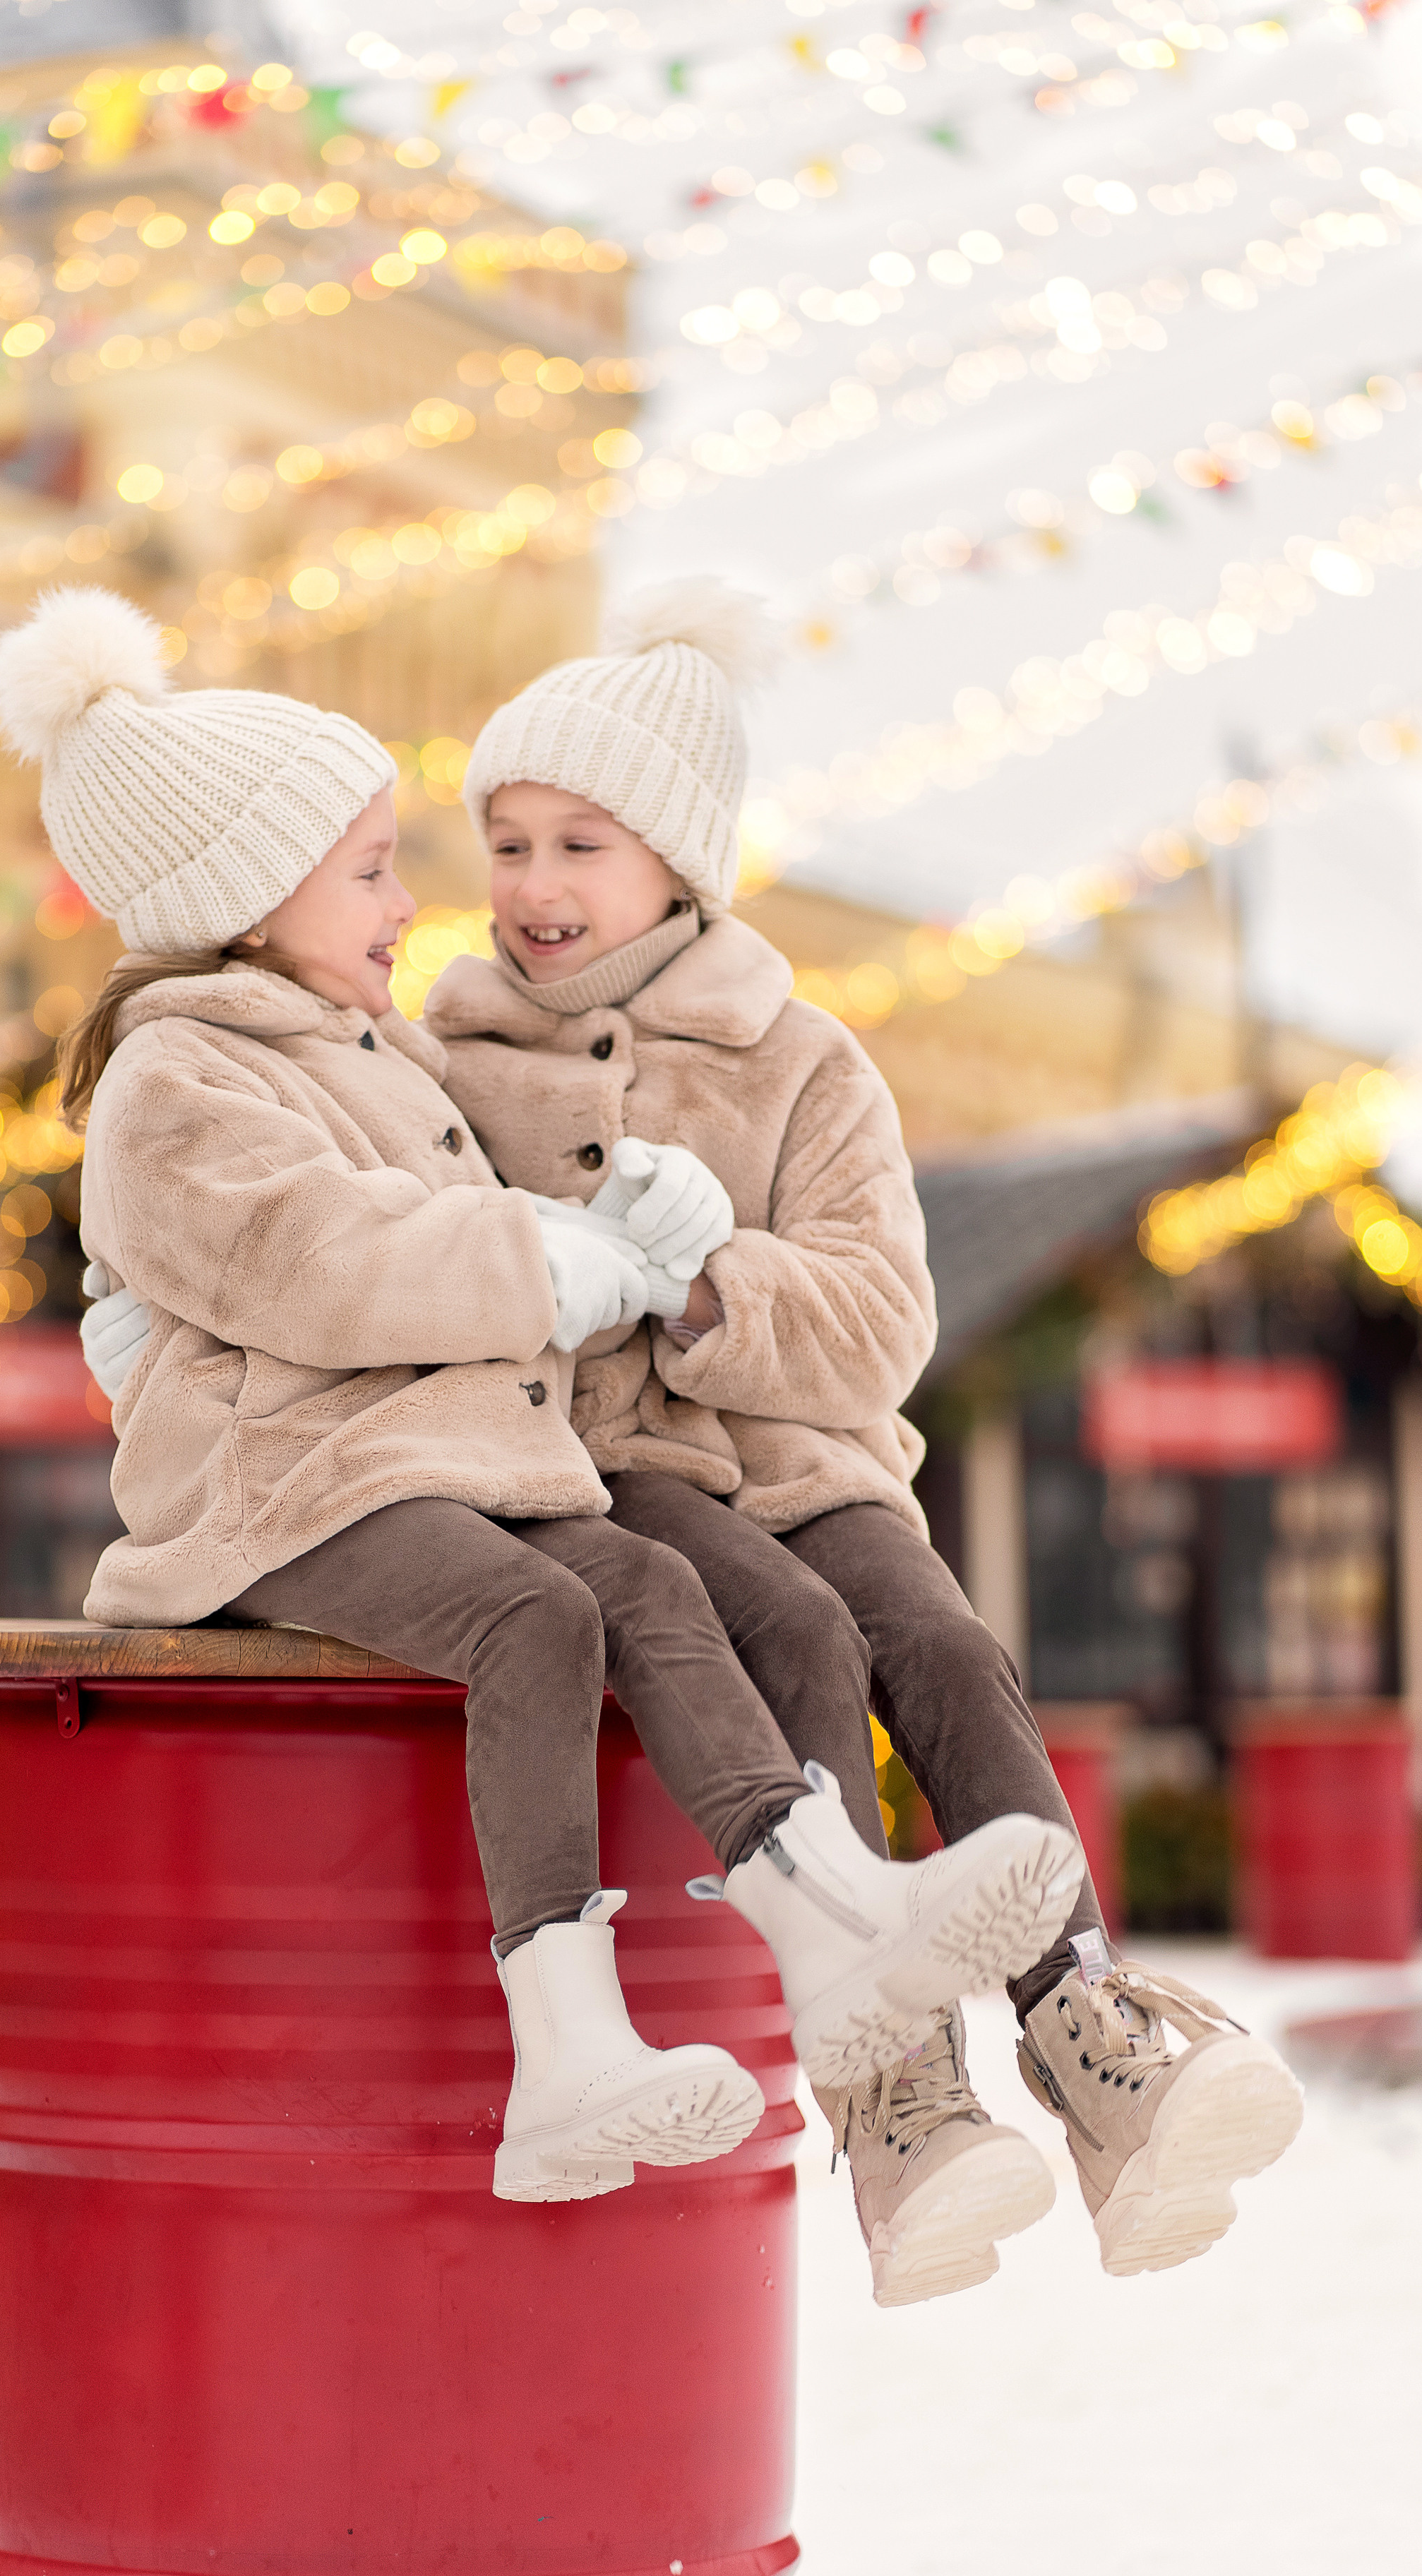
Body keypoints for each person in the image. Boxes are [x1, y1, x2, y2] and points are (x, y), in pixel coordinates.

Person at [0, 583, 1081, 2213]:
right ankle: (595, 2033)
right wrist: (555, 1263)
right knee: (542, 1618)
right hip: (279, 1497)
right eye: (375, 865)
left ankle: (847, 1925)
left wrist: (646, 1250)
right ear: (249, 892)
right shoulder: (184, 1069)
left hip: (413, 1468)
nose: (421, 895)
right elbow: (324, 1252)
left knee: (644, 1586)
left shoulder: (365, 1049)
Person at [410, 577, 1305, 2303]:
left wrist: (703, 1279)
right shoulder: (447, 1057)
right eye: (505, 843)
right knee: (797, 1633)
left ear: (676, 861)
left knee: (942, 1643)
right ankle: (897, 2099)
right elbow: (428, 1277)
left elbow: (882, 1318)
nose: (530, 888)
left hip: (809, 1460)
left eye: (576, 844)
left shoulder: (800, 1060)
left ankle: (1090, 2038)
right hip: (617, 1475)